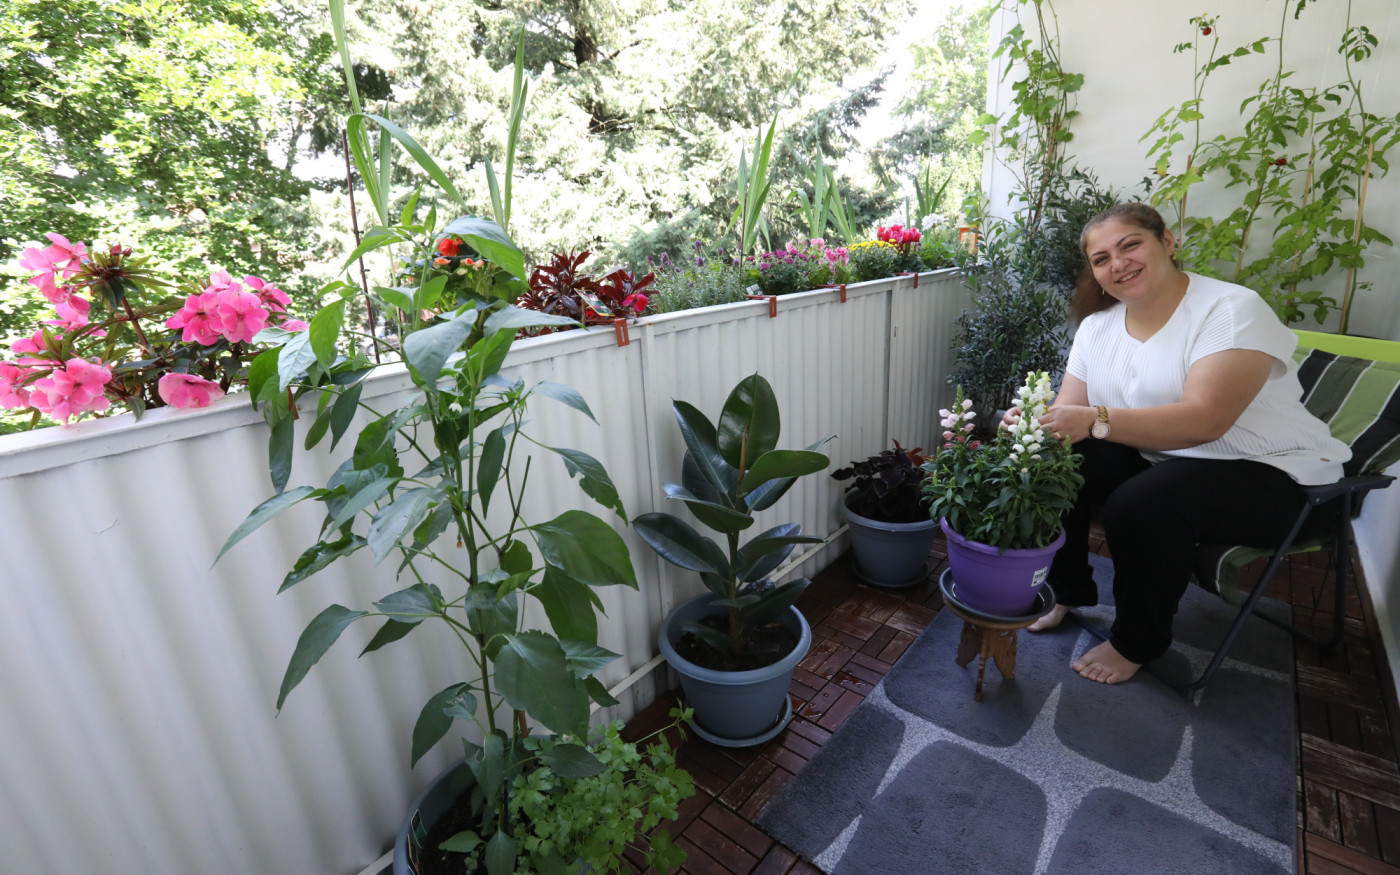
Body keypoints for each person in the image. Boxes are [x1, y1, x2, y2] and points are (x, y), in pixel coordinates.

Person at [1017, 203, 1349, 684]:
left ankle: (1137, 641)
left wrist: (1093, 419)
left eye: (1130, 244)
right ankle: (1068, 590)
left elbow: (1205, 420)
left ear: (1167, 242)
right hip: (1169, 462)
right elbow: (1073, 416)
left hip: (1279, 477)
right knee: (1062, 461)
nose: (1118, 263)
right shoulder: (1097, 327)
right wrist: (1037, 421)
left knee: (1141, 501)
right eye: (1102, 258)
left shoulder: (1231, 309)